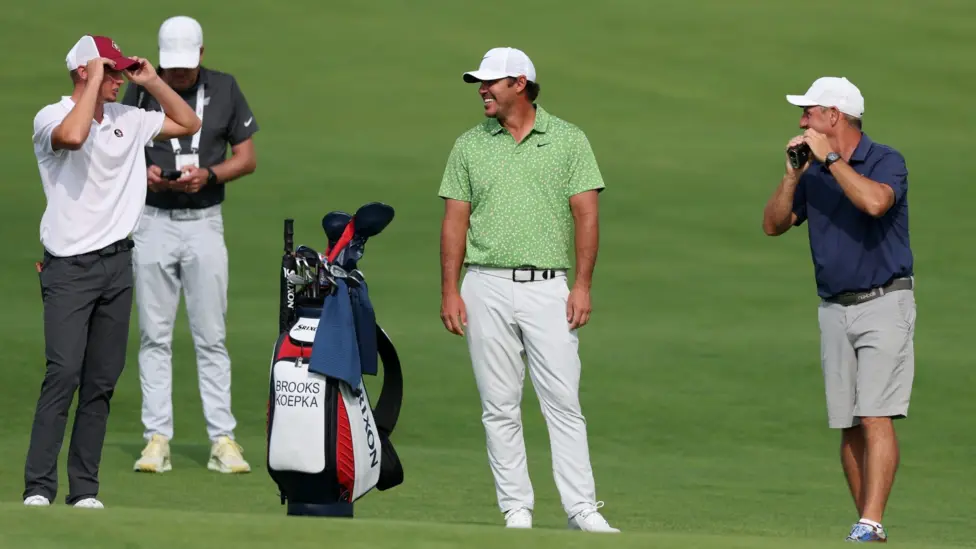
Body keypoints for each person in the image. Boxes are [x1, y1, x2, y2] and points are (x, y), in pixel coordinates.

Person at [437, 47, 618, 533]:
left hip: (548, 287)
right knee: (498, 405)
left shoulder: (567, 140)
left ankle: (582, 509)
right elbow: (455, 220)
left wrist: (581, 285)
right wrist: (449, 290)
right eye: (480, 81)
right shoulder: (470, 144)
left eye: (491, 82)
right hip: (484, 285)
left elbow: (587, 214)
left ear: (519, 83)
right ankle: (516, 509)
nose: (482, 89)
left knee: (563, 401)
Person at [24, 34, 201, 508]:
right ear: (83, 71)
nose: (121, 78)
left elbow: (189, 121)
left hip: (117, 267)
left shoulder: (131, 118)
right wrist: (96, 80)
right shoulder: (51, 117)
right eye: (110, 70)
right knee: (63, 374)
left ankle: (83, 490)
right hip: (68, 268)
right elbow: (74, 136)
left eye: (122, 70)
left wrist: (154, 81)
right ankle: (39, 488)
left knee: (101, 382)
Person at [762, 76, 916, 543]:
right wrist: (793, 175)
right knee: (848, 424)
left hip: (884, 300)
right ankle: (867, 525)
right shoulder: (812, 172)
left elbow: (874, 202)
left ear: (836, 116)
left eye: (809, 111)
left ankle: (870, 521)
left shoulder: (886, 160)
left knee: (875, 415)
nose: (802, 119)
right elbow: (773, 225)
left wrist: (828, 159)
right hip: (834, 308)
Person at [120, 15, 259, 475]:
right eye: (170, 66)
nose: (178, 74)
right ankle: (156, 438)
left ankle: (223, 439)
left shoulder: (225, 87)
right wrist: (144, 175)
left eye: (185, 64)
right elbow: (118, 151)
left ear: (201, 54)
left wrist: (210, 174)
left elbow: (247, 157)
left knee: (211, 335)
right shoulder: (141, 90)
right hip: (153, 221)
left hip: (204, 222)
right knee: (154, 334)